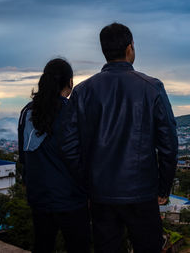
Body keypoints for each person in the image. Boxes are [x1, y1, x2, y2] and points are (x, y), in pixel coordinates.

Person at [63, 23, 178, 253]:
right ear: (129, 48)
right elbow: (169, 145)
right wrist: (163, 189)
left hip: (100, 194)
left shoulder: (83, 91)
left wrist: (86, 185)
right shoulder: (152, 87)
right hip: (142, 192)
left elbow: (68, 146)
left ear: (105, 50)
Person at [18, 58, 89, 253]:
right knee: (78, 246)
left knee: (42, 244)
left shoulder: (27, 112)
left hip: (39, 196)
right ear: (70, 82)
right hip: (71, 198)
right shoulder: (71, 111)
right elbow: (79, 156)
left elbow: (23, 155)